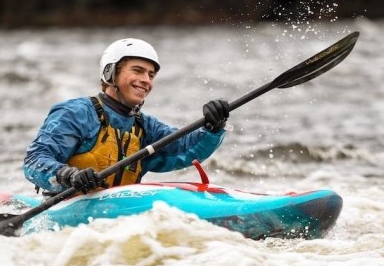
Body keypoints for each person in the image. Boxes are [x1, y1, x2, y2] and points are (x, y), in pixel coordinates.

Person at [23, 38, 230, 196]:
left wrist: (214, 126)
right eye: (138, 71)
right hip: (67, 210)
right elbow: (35, 160)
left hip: (121, 216)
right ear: (110, 73)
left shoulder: (146, 127)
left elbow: (186, 149)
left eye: (151, 75)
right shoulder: (76, 114)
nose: (146, 80)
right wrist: (70, 175)